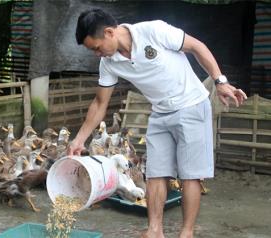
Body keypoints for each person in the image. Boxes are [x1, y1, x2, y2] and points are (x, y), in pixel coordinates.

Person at [67, 8, 247, 238]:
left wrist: (220, 81)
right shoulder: (109, 63)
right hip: (160, 112)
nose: (97, 54)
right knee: (155, 173)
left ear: (110, 32)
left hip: (191, 105)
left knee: (190, 175)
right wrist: (79, 139)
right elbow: (100, 103)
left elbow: (196, 46)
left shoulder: (153, 31)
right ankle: (154, 231)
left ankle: (186, 233)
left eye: (96, 48)